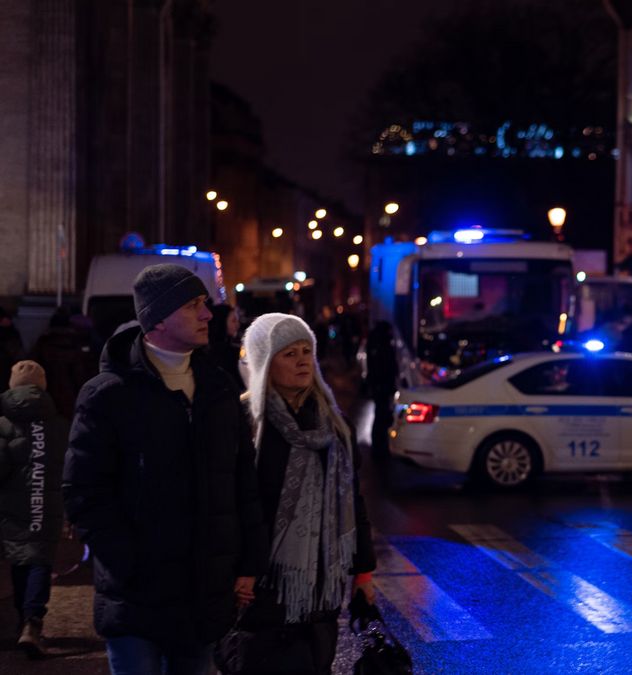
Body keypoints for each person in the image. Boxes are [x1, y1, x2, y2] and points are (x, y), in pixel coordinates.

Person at [63, 264, 266, 674]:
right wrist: (129, 563)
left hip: (202, 599)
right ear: (157, 317)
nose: (208, 314)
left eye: (205, 305)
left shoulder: (218, 388)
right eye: (194, 305)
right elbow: (83, 492)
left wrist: (248, 564)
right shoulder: (109, 394)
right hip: (136, 600)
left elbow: (243, 483)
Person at [221, 313, 376, 674]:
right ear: (264, 361)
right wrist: (233, 569)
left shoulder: (335, 425)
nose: (303, 360)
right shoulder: (243, 422)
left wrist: (364, 572)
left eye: (307, 351)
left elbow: (353, 501)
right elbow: (227, 506)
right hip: (261, 584)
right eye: (289, 354)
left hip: (321, 587)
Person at [0, 361, 67, 657]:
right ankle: (33, 621)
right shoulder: (59, 426)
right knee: (40, 558)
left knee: (19, 559)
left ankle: (21, 621)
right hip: (47, 502)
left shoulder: (4, 425)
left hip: (12, 505)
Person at [29, 308, 97, 419]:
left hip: (46, 401)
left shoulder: (42, 345)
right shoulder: (77, 344)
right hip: (72, 403)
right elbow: (83, 376)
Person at [365, 321, 400, 456]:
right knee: (381, 414)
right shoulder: (382, 344)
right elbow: (386, 366)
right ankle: (379, 445)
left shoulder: (376, 342)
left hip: (380, 385)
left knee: (381, 413)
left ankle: (379, 444)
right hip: (382, 386)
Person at [208, 304, 245, 391]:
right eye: (233, 321)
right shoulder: (223, 352)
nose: (238, 325)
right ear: (222, 322)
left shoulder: (231, 348)